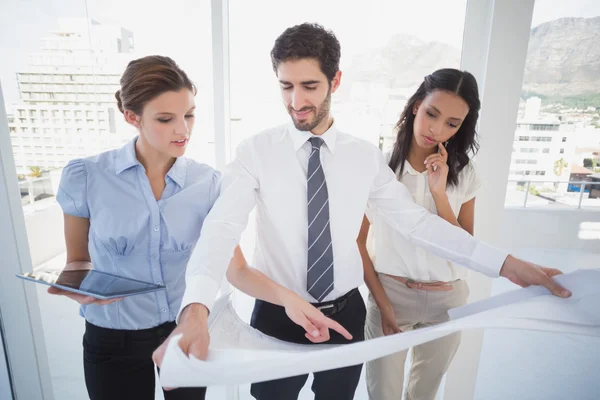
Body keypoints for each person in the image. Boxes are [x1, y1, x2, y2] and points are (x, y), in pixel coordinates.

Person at [153, 23, 570, 400]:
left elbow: (417, 224)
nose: (296, 102)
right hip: (278, 316)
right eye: (286, 86)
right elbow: (221, 229)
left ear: (335, 80)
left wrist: (506, 264)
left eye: (310, 86)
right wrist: (196, 310)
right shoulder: (254, 153)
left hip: (346, 313)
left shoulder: (363, 157)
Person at [50, 55, 216, 400]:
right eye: (166, 119)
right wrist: (77, 284)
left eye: (189, 114)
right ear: (132, 117)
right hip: (111, 337)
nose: (183, 130)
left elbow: (221, 264)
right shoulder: (87, 176)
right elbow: (77, 261)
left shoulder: (208, 183)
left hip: (181, 334)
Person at [359, 68, 494, 399]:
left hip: (446, 300)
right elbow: (357, 242)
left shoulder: (464, 173)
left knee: (424, 394)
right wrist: (382, 303)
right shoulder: (378, 169)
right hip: (390, 294)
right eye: (432, 113)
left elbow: (465, 246)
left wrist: (439, 194)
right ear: (417, 105)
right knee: (383, 394)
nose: (436, 129)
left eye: (452, 123)